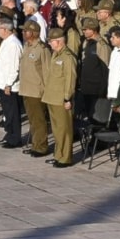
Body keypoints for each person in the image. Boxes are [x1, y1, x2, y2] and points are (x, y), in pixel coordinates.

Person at [44, 27, 78, 168]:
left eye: (51, 41)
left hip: (61, 99)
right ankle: (58, 155)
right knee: (57, 129)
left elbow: (70, 79)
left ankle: (65, 158)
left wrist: (67, 98)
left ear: (58, 42)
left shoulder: (67, 57)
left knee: (64, 129)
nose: (49, 44)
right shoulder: (55, 55)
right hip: (52, 97)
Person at [19, 20, 52, 156]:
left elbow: (47, 70)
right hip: (26, 88)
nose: (23, 32)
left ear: (33, 33)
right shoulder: (27, 46)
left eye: (25, 30)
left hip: (37, 90)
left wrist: (47, 91)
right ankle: (35, 144)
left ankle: (41, 147)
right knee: (32, 120)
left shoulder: (42, 49)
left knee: (38, 120)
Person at [0, 20, 24, 147]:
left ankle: (15, 138)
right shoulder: (6, 42)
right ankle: (8, 134)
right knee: (7, 112)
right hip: (1, 83)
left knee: (12, 113)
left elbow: (14, 66)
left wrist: (9, 84)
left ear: (5, 29)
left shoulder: (13, 44)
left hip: (9, 85)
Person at [77, 17, 111, 123]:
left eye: (86, 29)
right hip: (86, 85)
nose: (84, 31)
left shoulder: (101, 45)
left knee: (97, 116)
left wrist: (103, 89)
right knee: (89, 114)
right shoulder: (86, 42)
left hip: (96, 87)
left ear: (93, 30)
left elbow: (106, 68)